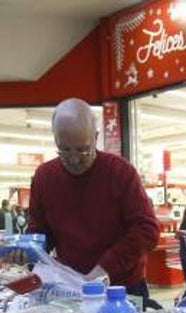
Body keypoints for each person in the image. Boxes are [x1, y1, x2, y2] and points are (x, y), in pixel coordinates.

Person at [27, 98, 160, 301]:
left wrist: (105, 267)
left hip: (123, 286)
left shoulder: (120, 173)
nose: (74, 158)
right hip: (71, 286)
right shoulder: (45, 176)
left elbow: (147, 230)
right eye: (65, 150)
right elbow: (40, 231)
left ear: (96, 137)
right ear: (55, 140)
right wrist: (29, 252)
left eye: (83, 150)